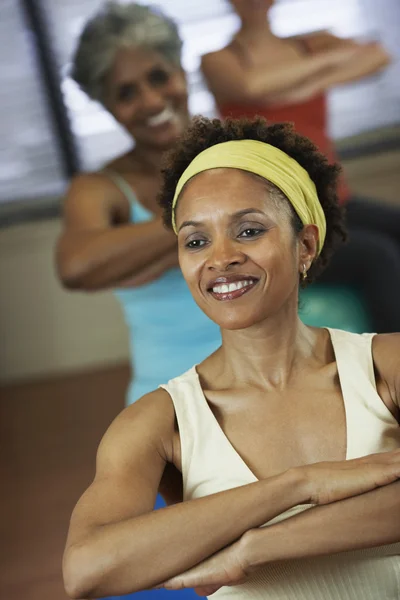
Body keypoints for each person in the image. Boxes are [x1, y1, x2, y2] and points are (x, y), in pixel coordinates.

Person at [63, 116, 400, 600]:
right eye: (196, 241)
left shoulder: (385, 366)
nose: (219, 258)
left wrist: (258, 548)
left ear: (304, 243)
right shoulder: (160, 422)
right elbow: (87, 568)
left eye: (248, 231)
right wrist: (299, 485)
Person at [56, 1, 221, 407]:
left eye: (158, 77)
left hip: (275, 372)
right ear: (108, 106)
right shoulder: (100, 189)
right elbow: (77, 267)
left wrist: (149, 253)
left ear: (181, 72)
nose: (149, 101)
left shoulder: (237, 148)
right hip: (171, 398)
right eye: (126, 93)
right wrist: (210, 212)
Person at [201, 0, 400, 333]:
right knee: (376, 257)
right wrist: (326, 68)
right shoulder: (218, 60)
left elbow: (378, 56)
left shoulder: (311, 43)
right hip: (283, 217)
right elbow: (250, 87)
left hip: (334, 199)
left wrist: (301, 79)